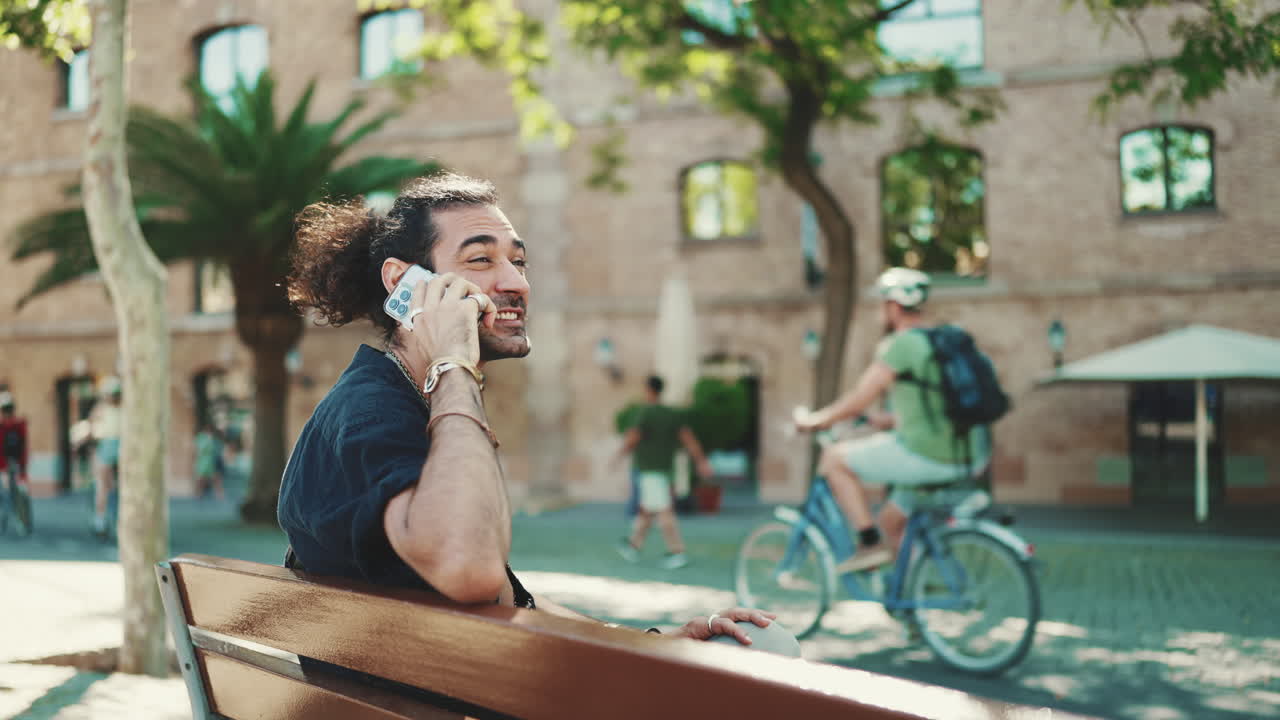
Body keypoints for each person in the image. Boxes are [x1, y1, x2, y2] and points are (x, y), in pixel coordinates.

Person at [279, 173, 772, 650]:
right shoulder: (371, 412)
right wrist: (454, 362)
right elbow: (470, 568)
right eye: (480, 260)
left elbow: (509, 601)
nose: (515, 282)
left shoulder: (398, 398)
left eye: (519, 262)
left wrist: (650, 645)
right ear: (405, 282)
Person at [793, 268, 991, 572]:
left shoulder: (901, 344)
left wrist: (815, 421)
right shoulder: (937, 343)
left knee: (834, 459)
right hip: (965, 455)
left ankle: (868, 544)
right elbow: (932, 407)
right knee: (891, 520)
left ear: (894, 307)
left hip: (926, 455)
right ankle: (918, 589)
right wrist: (884, 420)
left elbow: (859, 398)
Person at [611, 375, 712, 569]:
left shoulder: (645, 413)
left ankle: (677, 551)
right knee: (648, 509)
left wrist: (618, 457)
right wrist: (701, 461)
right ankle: (634, 545)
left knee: (664, 511)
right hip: (665, 470)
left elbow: (633, 438)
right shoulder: (671, 414)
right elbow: (689, 439)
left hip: (650, 470)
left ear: (648, 389)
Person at [88, 377, 123, 536]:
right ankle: (101, 518)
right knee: (105, 486)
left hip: (112, 447)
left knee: (103, 486)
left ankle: (101, 518)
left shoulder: (101, 409)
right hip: (114, 447)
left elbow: (92, 430)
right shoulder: (106, 409)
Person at [0, 391, 31, 531]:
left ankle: (22, 521)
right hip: (4, 466)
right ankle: (5, 519)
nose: (7, 412)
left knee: (21, 493)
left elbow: (24, 447)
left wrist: (23, 469)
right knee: (4, 493)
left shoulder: (19, 425)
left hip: (17, 465)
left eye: (8, 408)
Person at [193, 422, 226, 500]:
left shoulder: (215, 439)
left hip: (212, 462)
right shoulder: (201, 438)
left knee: (216, 479)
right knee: (201, 479)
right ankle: (198, 494)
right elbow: (200, 449)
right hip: (203, 462)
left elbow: (219, 449)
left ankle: (220, 495)